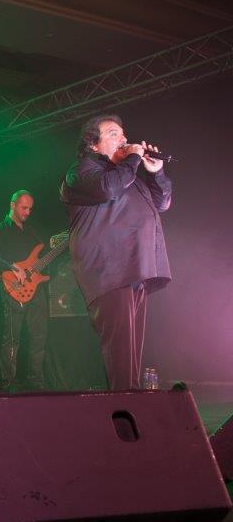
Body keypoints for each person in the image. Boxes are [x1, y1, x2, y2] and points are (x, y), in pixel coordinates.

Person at [60, 114, 171, 390]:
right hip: (109, 270)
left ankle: (129, 409)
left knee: (131, 354)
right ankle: (123, 414)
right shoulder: (82, 171)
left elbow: (162, 203)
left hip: (135, 268)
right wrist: (133, 159)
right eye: (112, 133)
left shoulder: (129, 177)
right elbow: (106, 189)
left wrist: (156, 172)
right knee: (120, 354)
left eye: (123, 134)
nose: (123, 138)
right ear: (94, 145)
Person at [0, 190, 48, 392]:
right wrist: (11, 266)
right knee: (12, 338)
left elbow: (39, 259)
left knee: (39, 335)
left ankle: (36, 380)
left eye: (30, 208)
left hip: (35, 289)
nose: (28, 212)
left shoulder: (32, 232)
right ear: (12, 205)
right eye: (24, 208)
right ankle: (8, 383)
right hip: (12, 288)